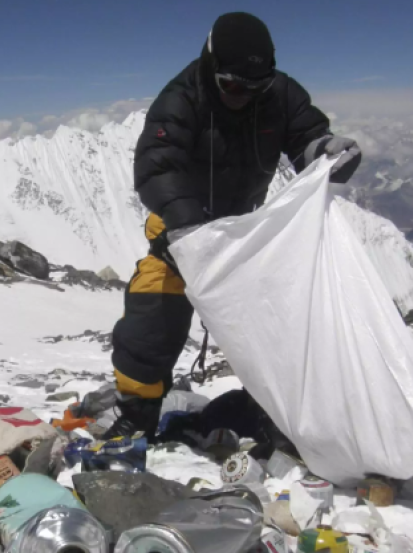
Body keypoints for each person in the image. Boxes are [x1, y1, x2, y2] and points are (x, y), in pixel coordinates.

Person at [105, 12, 361, 440]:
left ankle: (278, 414)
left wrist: (326, 151)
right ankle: (137, 415)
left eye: (254, 87)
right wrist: (187, 229)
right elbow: (156, 167)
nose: (242, 95)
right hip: (178, 237)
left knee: (280, 325)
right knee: (150, 323)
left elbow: (306, 137)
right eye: (232, 84)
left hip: (245, 237)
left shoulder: (279, 94)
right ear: (210, 65)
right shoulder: (181, 99)